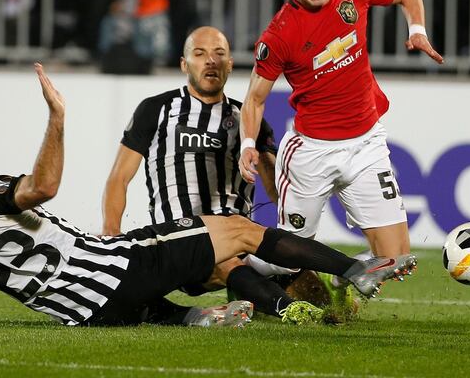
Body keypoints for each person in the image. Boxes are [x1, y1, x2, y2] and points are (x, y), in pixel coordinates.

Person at [0, 63, 413, 326]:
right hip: (115, 272)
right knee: (239, 233)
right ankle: (351, 271)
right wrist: (57, 117)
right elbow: (44, 187)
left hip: (84, 313)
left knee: (193, 253)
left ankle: (195, 319)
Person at [237, 0, 440, 290]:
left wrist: (417, 31)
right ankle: (238, 273)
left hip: (366, 144)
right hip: (311, 153)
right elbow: (254, 98)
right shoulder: (279, 34)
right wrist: (248, 144)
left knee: (396, 259)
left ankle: (348, 275)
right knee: (285, 261)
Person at [101, 26, 332, 323]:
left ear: (230, 64)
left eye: (219, 54)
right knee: (224, 260)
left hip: (240, 235)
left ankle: (323, 304)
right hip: (180, 239)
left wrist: (292, 210)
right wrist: (111, 235)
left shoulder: (247, 120)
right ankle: (289, 311)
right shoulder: (155, 110)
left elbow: (276, 187)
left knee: (307, 280)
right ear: (185, 64)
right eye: (200, 54)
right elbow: (119, 178)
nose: (210, 60)